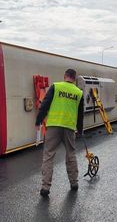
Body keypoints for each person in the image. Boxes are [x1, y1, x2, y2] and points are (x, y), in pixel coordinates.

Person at [35, 68, 84, 197]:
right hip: (69, 127)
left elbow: (44, 105)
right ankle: (74, 183)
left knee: (49, 156)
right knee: (71, 154)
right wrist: (80, 130)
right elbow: (80, 115)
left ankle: (45, 187)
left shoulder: (55, 87)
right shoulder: (78, 93)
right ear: (74, 78)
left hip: (53, 126)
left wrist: (38, 120)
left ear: (65, 76)